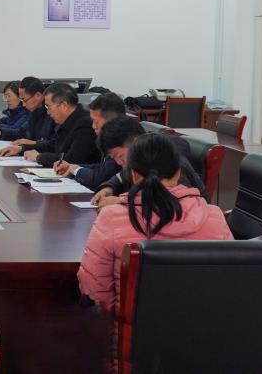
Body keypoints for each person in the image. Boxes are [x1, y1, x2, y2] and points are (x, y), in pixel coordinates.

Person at [77, 133, 233, 312]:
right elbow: (229, 278)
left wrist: (120, 317)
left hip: (133, 327)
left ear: (134, 176)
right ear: (178, 173)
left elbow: (93, 287)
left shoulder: (111, 217)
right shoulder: (214, 216)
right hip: (205, 325)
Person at [90, 117, 207, 208]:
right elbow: (122, 176)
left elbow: (175, 202)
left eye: (119, 155)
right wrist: (109, 188)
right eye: (113, 157)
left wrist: (123, 202)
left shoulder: (169, 162)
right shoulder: (142, 161)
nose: (119, 162)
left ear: (135, 142)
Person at [0, 83, 99, 167]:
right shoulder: (69, 119)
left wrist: (39, 157)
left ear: (64, 106)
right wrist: (21, 149)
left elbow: (73, 159)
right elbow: (53, 145)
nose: (48, 112)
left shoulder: (85, 124)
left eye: (49, 107)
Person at [54, 92, 127, 188]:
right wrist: (72, 166)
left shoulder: (123, 142)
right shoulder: (113, 138)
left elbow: (99, 178)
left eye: (95, 121)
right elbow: (101, 167)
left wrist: (75, 169)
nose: (93, 126)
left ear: (111, 121)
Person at [0, 78, 54, 148]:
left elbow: (55, 145)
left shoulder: (52, 114)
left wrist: (33, 143)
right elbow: (21, 133)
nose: (23, 104)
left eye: (25, 100)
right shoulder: (34, 112)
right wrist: (0, 133)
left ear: (38, 95)